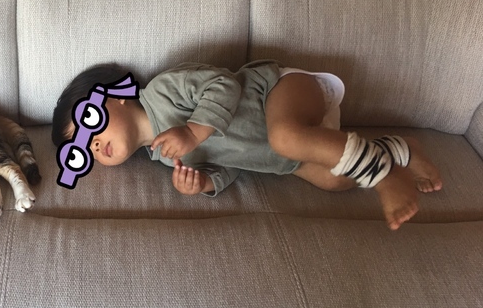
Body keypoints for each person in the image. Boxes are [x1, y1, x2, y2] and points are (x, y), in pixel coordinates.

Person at [52, 61, 442, 230]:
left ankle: (385, 175)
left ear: (115, 95)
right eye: (82, 151)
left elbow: (224, 83)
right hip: (283, 158)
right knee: (334, 181)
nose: (93, 145)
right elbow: (232, 164)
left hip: (279, 91)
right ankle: (401, 150)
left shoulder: (162, 90)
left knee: (286, 136)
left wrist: (193, 131)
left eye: (89, 125)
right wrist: (204, 183)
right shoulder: (163, 157)